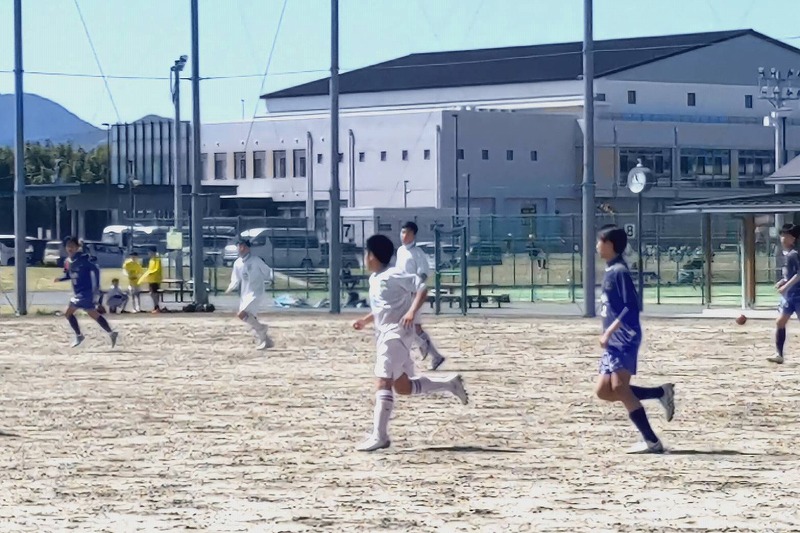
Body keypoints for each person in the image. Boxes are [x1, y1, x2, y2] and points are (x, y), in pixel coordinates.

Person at [352, 234, 469, 452]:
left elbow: (422, 288)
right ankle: (449, 384)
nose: (364, 258)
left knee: (383, 382)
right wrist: (366, 321)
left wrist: (411, 312)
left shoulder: (393, 274)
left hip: (395, 335)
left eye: (366, 253)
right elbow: (383, 308)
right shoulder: (375, 278)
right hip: (386, 335)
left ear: (372, 255)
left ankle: (380, 436)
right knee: (403, 387)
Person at [594, 225, 674, 454]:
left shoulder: (620, 271)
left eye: (600, 241)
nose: (597, 246)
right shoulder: (611, 269)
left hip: (624, 337)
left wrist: (609, 332)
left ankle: (652, 441)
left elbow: (632, 306)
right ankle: (660, 393)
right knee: (604, 391)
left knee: (620, 387)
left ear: (610, 245)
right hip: (614, 342)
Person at [394, 221, 447, 370]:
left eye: (408, 233)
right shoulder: (400, 251)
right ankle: (431, 353)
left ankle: (427, 351)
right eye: (403, 232)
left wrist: (415, 288)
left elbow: (424, 273)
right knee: (409, 326)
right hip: (402, 294)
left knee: (411, 326)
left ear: (414, 235)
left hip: (413, 295)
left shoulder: (418, 253)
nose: (404, 236)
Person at [55, 236, 119, 348]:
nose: (70, 248)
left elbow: (96, 269)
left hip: (86, 292)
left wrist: (97, 286)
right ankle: (111, 333)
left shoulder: (83, 259)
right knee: (93, 314)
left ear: (77, 247)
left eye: (72, 246)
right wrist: (60, 279)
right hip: (79, 292)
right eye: (68, 246)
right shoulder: (68, 262)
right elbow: (69, 275)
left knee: (68, 312)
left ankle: (79, 335)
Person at [225, 239, 274, 350]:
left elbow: (268, 271)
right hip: (245, 294)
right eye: (239, 246)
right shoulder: (237, 263)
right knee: (247, 317)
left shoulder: (256, 260)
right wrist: (230, 288)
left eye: (242, 246)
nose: (240, 249)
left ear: (247, 248)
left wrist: (271, 279)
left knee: (242, 313)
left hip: (256, 292)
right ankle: (266, 340)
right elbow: (235, 279)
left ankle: (262, 330)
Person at [769, 223, 800, 364]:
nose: (782, 238)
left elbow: (799, 274)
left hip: (798, 295)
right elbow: (790, 274)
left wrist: (786, 286)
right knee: (780, 322)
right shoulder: (787, 254)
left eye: (785, 236)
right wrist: (782, 281)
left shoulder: (795, 254)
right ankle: (779, 354)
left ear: (793, 238)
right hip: (789, 296)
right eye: (782, 235)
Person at [138, 247, 163, 313]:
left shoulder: (157, 260)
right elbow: (150, 269)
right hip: (151, 279)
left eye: (149, 252)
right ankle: (155, 306)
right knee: (152, 293)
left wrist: (150, 273)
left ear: (153, 252)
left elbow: (156, 269)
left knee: (155, 293)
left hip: (155, 280)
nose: (148, 253)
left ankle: (157, 307)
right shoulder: (151, 260)